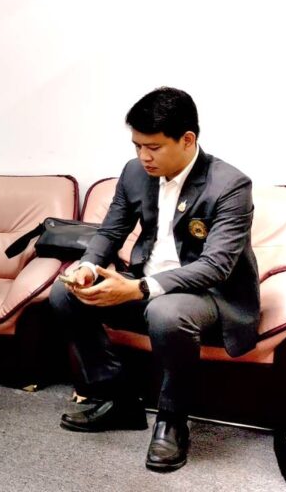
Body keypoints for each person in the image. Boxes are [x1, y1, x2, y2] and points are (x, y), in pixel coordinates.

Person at [50, 87, 259, 472]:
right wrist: (87, 266)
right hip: (145, 284)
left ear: (187, 140)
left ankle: (172, 420)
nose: (143, 156)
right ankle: (117, 399)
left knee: (166, 312)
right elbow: (110, 232)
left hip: (210, 296)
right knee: (65, 295)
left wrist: (138, 288)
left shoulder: (229, 185)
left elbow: (216, 266)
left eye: (154, 147)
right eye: (137, 146)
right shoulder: (135, 173)